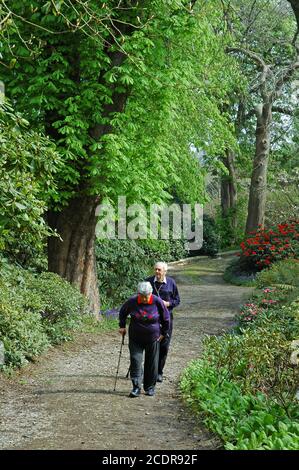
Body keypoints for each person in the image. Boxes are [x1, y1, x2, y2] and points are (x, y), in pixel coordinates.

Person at [119, 281, 170, 398]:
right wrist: (122, 326)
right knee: (135, 360)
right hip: (135, 337)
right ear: (138, 294)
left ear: (150, 294)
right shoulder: (132, 301)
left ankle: (149, 387)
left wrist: (164, 333)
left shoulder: (157, 301)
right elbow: (123, 311)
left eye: (146, 296)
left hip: (153, 338)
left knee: (151, 363)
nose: (144, 299)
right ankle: (136, 387)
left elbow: (166, 318)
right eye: (141, 296)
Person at [146, 261, 180, 383]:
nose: (157, 272)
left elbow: (177, 300)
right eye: (155, 269)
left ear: (165, 271)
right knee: (150, 345)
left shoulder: (171, 283)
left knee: (164, 346)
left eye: (159, 270)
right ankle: (149, 372)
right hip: (150, 319)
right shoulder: (148, 282)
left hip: (166, 319)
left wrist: (168, 303)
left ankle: (159, 372)